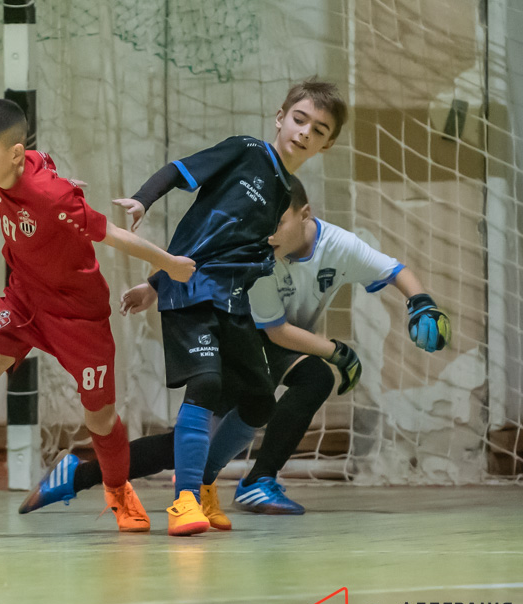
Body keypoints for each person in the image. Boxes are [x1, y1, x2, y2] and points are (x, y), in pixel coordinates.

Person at [18, 175, 451, 523]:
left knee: (188, 445)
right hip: (242, 336)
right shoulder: (261, 255)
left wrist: (422, 303)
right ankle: (252, 481)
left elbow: (395, 269)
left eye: (277, 222)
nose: (268, 234)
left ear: (305, 214)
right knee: (311, 377)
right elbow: (276, 331)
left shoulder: (338, 245)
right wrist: (335, 350)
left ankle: (79, 474)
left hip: (264, 342)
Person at [0, 98, 196, 533]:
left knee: (99, 418)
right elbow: (44, 160)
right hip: (23, 300)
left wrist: (168, 264)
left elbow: (112, 234)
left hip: (78, 317)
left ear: (13, 154)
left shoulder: (50, 197)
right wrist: (63, 179)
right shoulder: (17, 169)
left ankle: (119, 491)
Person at [105, 78, 347, 536]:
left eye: (318, 129)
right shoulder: (246, 150)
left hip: (231, 302)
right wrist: (143, 199)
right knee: (207, 384)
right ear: (281, 118)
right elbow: (179, 170)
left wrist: (151, 285)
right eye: (299, 120)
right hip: (191, 291)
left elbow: (218, 246)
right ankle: (184, 500)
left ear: (327, 143)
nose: (304, 132)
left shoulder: (284, 192)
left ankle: (206, 484)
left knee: (259, 401)